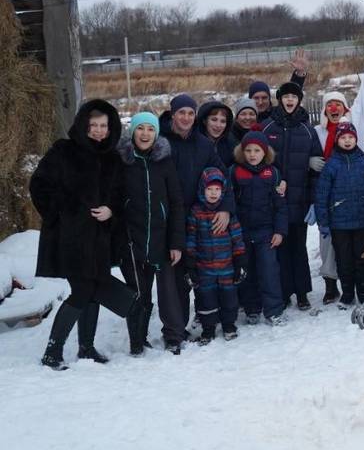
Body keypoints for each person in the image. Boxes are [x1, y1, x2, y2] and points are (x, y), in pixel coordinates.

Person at [30, 99, 145, 370]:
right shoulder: (63, 151)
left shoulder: (113, 159)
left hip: (99, 240)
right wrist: (67, 212)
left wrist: (111, 211)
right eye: (93, 125)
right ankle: (52, 352)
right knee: (82, 290)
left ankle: (86, 347)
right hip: (70, 239)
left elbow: (119, 197)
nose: (98, 130)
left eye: (103, 125)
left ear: (111, 127)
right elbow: (39, 186)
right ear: (83, 124)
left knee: (92, 290)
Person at [160, 93, 235, 331]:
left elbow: (222, 176)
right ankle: (174, 329)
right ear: (173, 114)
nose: (186, 117)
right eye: (181, 112)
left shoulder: (203, 144)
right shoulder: (161, 142)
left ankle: (205, 318)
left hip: (196, 219)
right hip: (169, 219)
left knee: (199, 273)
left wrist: (224, 208)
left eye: (190, 113)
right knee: (173, 278)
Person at [117, 112, 186, 355]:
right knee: (138, 293)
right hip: (132, 239)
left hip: (162, 238)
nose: (145, 133)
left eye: (150, 129)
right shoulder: (122, 162)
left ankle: (174, 336)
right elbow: (114, 201)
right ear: (133, 131)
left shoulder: (164, 161)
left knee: (168, 292)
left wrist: (176, 242)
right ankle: (138, 338)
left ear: (156, 133)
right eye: (140, 128)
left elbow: (176, 202)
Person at [312, 70, 364, 304]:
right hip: (335, 211)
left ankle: (362, 290)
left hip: (358, 214)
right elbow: (321, 192)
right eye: (329, 104)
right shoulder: (319, 134)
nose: (333, 108)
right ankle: (338, 289)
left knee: (360, 254)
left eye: (337, 104)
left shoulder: (361, 157)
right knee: (337, 254)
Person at [260, 81, 323, 310]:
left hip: (299, 199)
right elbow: (259, 161)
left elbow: (316, 167)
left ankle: (302, 292)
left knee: (298, 247)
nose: (290, 100)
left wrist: (313, 200)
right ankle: (284, 292)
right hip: (275, 201)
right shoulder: (267, 127)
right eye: (285, 96)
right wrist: (272, 181)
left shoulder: (307, 129)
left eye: (294, 97)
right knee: (280, 248)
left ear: (299, 101)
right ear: (280, 99)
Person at [314, 122, 364, 305]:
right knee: (344, 260)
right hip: (339, 222)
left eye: (350, 137)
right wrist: (324, 221)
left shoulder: (363, 162)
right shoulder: (332, 165)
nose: (347, 141)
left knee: (362, 257)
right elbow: (322, 194)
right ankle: (347, 293)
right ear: (337, 140)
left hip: (361, 219)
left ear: (356, 139)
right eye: (343, 138)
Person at [229, 131, 288, 325]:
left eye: (257, 150)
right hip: (242, 232)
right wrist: (233, 229)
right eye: (248, 150)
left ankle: (274, 310)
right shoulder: (235, 172)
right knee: (247, 271)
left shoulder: (272, 172)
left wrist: (279, 231)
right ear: (242, 151)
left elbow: (280, 206)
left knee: (269, 271)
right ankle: (251, 308)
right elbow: (229, 202)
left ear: (265, 153)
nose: (252, 154)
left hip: (266, 232)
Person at [184, 168, 247, 342]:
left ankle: (229, 325)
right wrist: (190, 262)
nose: (213, 193)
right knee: (206, 299)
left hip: (226, 266)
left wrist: (240, 260)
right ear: (202, 189)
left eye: (217, 190)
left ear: (223, 191)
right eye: (209, 189)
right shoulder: (196, 212)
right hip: (204, 267)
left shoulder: (228, 213)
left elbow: (237, 237)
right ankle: (208, 328)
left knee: (229, 298)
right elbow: (191, 238)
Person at [249, 51, 310, 123]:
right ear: (249, 99)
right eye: (256, 98)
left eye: (264, 98)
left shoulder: (277, 115)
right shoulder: (244, 119)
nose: (260, 102)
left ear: (269, 99)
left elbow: (291, 91)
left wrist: (299, 74)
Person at [196, 100, 235, 167]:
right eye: (214, 120)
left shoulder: (231, 145)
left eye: (223, 121)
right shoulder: (194, 143)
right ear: (204, 121)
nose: (218, 125)